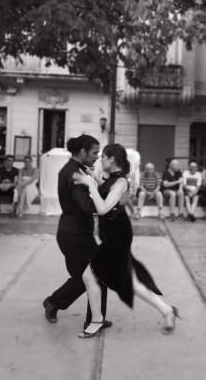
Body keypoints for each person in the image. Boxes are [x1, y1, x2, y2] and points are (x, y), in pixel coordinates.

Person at [73, 143, 179, 338]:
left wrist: (89, 184)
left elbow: (103, 208)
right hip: (112, 233)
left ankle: (96, 320)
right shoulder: (113, 179)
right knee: (132, 283)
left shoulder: (121, 182)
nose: (100, 160)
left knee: (89, 276)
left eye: (103, 157)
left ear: (112, 160)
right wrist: (93, 178)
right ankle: (167, 311)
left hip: (117, 235)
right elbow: (105, 187)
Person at [42, 135, 112, 331]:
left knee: (88, 277)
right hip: (74, 235)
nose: (97, 157)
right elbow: (86, 204)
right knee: (94, 275)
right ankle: (57, 304)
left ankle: (91, 317)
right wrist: (108, 203)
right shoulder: (74, 174)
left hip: (75, 233)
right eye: (94, 152)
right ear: (82, 152)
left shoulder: (76, 169)